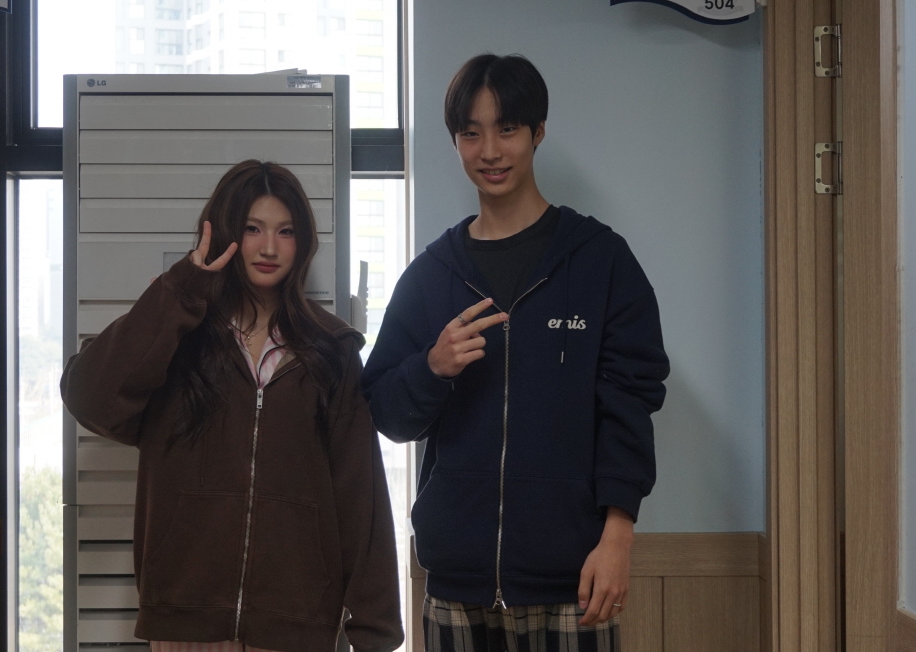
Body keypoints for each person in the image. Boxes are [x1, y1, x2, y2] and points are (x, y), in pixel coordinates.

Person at [361, 54, 670, 651]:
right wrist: (432, 368)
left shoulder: (599, 261)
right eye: (470, 133)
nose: (489, 151)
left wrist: (618, 534)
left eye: (506, 129)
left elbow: (630, 404)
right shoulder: (432, 275)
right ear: (455, 142)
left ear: (537, 132)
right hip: (456, 584)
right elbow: (387, 414)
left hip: (575, 579)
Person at [61, 159, 404, 652]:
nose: (269, 247)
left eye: (286, 231)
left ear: (303, 242)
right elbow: (90, 397)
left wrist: (375, 632)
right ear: (224, 233)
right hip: (184, 622)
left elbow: (361, 495)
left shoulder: (333, 349)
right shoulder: (178, 340)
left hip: (296, 625)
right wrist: (181, 290)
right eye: (252, 229)